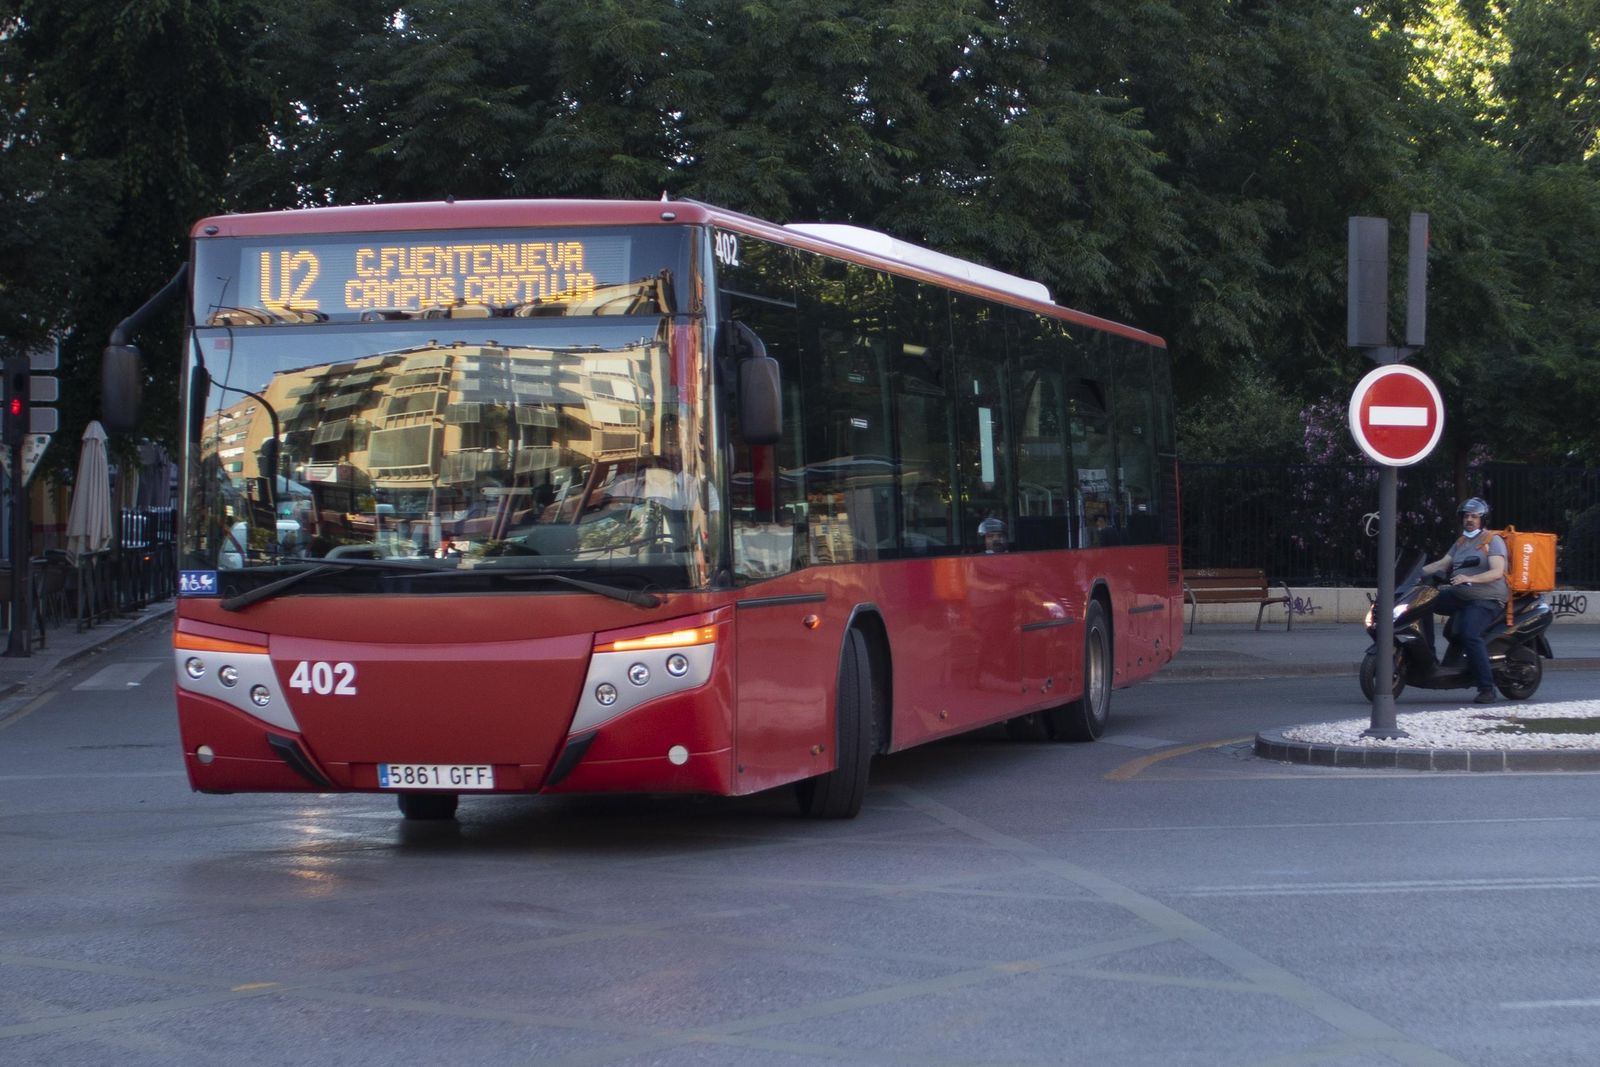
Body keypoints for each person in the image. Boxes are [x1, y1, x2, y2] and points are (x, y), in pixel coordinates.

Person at [1419, 497, 1509, 704]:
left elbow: (1497, 572)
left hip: (1486, 599)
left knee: (1470, 634)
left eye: (1474, 516)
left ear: (1483, 519)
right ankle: (1430, 658)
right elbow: (1442, 564)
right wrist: (1415, 573)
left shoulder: (1492, 541)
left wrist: (1470, 578)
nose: (1469, 520)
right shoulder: (1461, 542)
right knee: (1422, 601)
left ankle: (1487, 688)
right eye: (1467, 516)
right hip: (1460, 595)